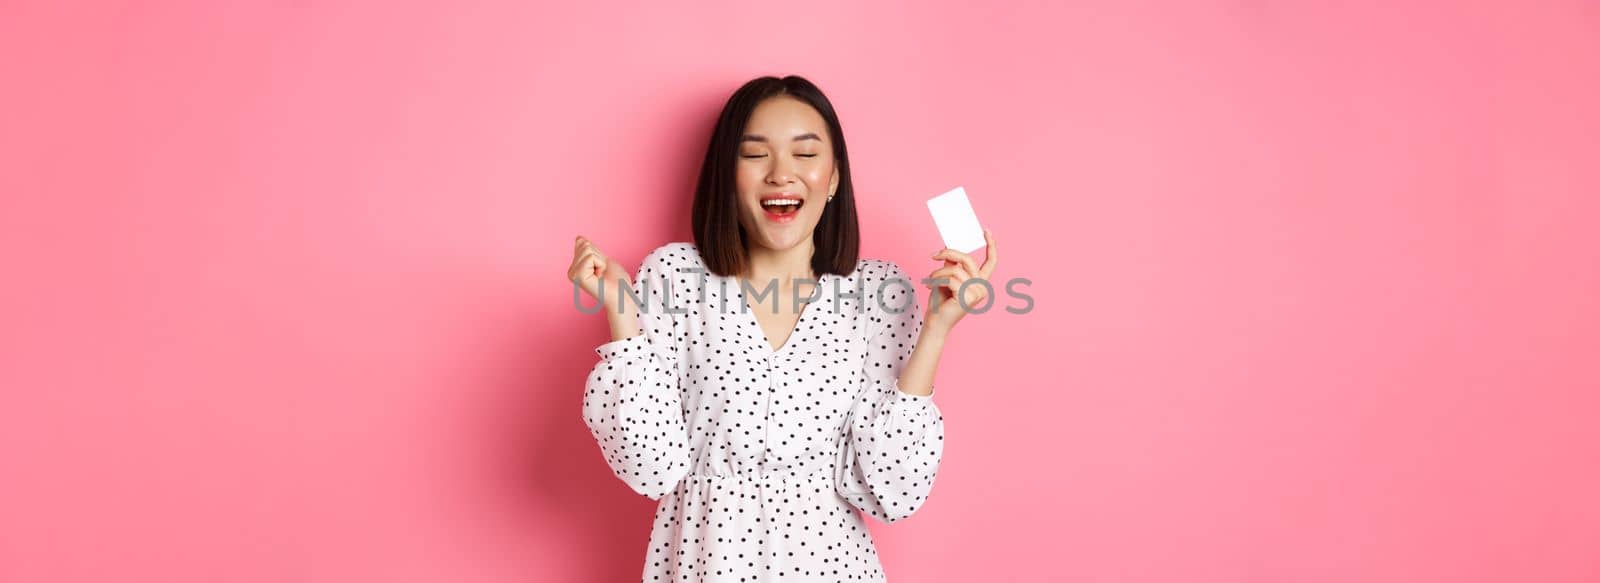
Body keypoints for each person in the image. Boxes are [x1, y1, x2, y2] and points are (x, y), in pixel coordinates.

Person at [566, 74, 998, 581]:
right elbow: (652, 467)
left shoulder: (878, 294)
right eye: (755, 154)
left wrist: (937, 329)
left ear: (834, 178)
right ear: (728, 176)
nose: (780, 174)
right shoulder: (674, 277)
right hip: (708, 564)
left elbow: (894, 491)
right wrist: (621, 310)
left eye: (805, 154)